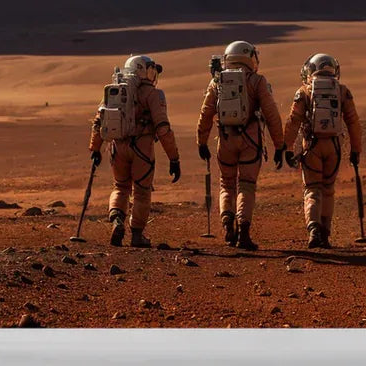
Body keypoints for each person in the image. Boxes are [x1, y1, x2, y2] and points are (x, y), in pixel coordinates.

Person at [196, 40, 285, 251]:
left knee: (227, 183)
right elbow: (272, 115)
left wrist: (201, 141)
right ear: (251, 58)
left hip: (225, 140)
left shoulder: (217, 82)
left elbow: (206, 113)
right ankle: (243, 231)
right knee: (246, 185)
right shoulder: (257, 81)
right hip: (250, 140)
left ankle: (228, 225)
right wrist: (280, 145)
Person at [88, 55, 181, 247]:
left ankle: (116, 220)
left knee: (120, 187)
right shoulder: (153, 95)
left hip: (117, 147)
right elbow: (163, 128)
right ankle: (137, 235)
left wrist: (95, 149)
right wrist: (174, 158)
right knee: (141, 192)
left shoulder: (116, 91)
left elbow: (99, 121)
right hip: (142, 148)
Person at [283, 53, 362, 248]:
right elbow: (353, 123)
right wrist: (355, 150)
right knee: (328, 189)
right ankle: (325, 233)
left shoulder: (304, 92)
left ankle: (313, 229)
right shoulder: (342, 91)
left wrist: (286, 148)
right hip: (334, 147)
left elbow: (293, 122)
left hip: (312, 146)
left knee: (312, 189)